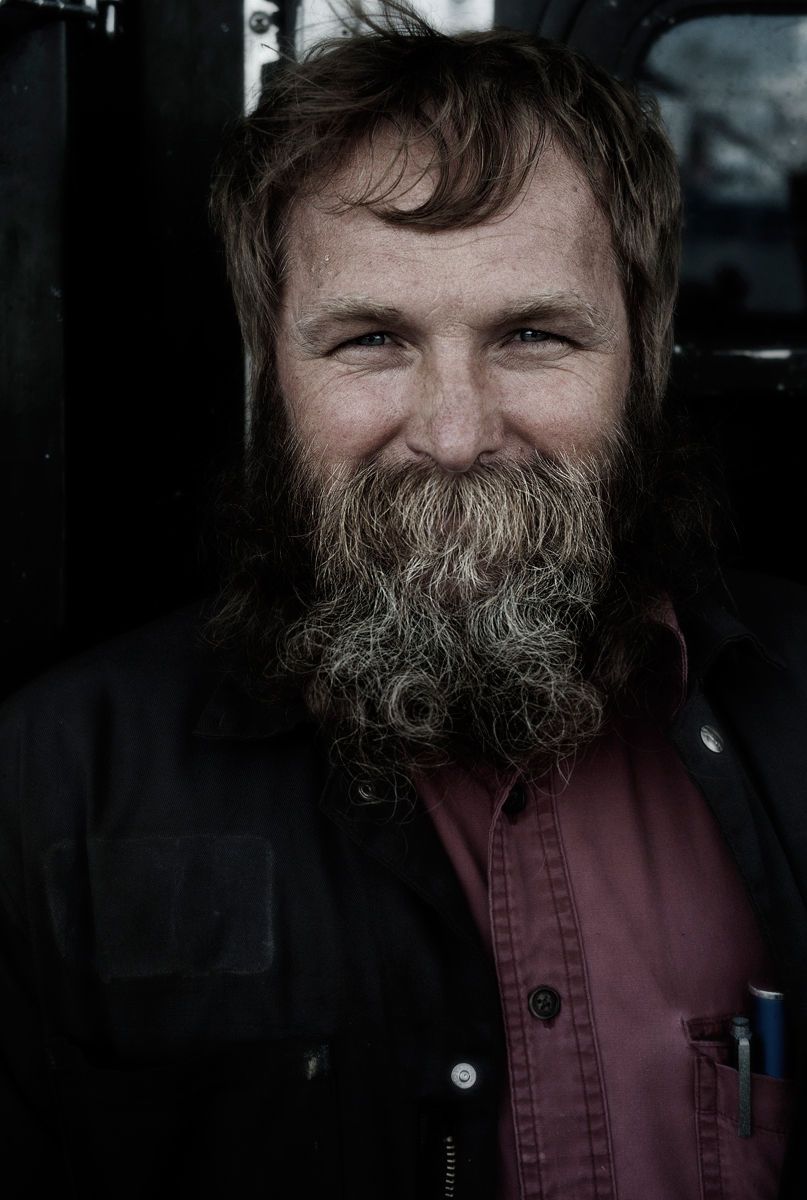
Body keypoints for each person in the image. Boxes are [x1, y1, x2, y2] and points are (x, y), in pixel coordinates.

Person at [1, 7, 805, 1198]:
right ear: (270, 370)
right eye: (374, 338)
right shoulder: (53, 786)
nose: (455, 433)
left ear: (647, 350)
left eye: (532, 333)